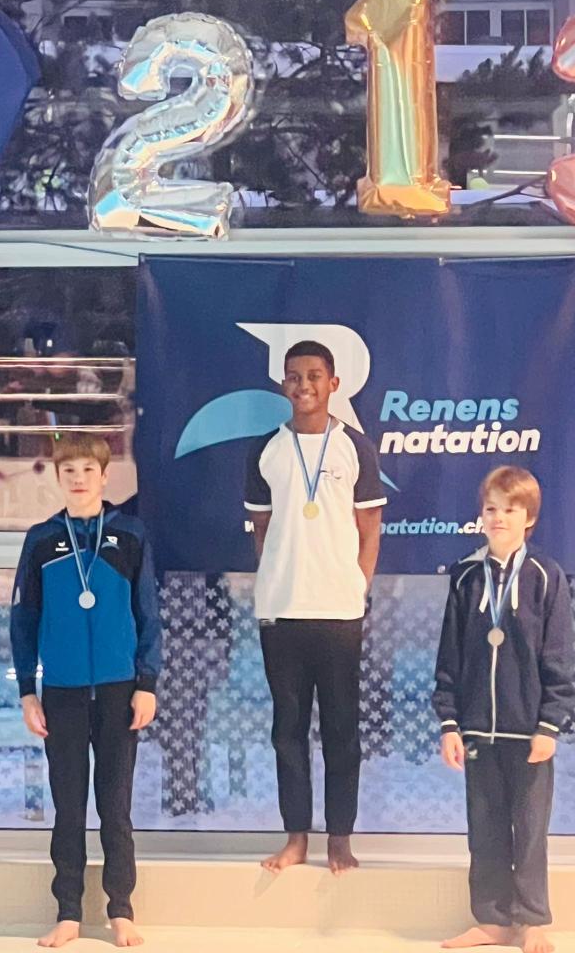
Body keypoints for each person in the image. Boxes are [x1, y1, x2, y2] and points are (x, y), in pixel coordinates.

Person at [10, 432, 161, 948]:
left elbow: (148, 615)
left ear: (105, 476)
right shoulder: (41, 539)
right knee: (68, 808)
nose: (78, 479)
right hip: (63, 692)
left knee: (115, 807)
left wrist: (147, 683)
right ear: (58, 477)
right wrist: (27, 691)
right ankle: (69, 913)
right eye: (68, 471)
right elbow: (24, 619)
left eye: (87, 470)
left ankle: (121, 909)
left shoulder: (131, 535)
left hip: (119, 690)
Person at [245, 340, 385, 875]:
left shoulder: (355, 447)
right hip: (282, 611)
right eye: (294, 376)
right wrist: (280, 577)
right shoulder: (266, 450)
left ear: (333, 384)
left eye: (314, 376)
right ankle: (296, 837)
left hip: (339, 613)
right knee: (288, 731)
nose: (303, 385)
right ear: (283, 384)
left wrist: (355, 587)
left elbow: (369, 528)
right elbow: (262, 529)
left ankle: (340, 839)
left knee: (342, 732)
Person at [433, 466, 575, 953]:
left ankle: (531, 920)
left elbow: (558, 656)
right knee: (485, 828)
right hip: (477, 730)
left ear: (528, 518)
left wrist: (550, 724)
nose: (498, 517)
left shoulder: (545, 577)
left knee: (530, 829)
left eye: (510, 509)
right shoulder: (465, 578)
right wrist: (450, 722)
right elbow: (449, 657)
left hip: (529, 731)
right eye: (491, 508)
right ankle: (492, 921)